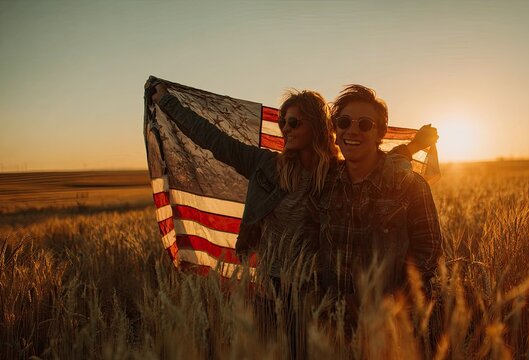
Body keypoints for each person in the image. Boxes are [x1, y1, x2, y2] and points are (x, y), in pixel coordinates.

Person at [148, 80, 436, 357]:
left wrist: (414, 146)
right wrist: (168, 102)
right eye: (283, 122)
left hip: (312, 290)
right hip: (269, 284)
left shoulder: (333, 175)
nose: (286, 128)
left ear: (316, 126)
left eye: (295, 122)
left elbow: (376, 161)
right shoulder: (266, 166)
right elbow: (216, 141)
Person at [312, 85, 443, 339]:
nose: (352, 130)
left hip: (388, 329)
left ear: (380, 134)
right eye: (344, 122)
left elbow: (428, 254)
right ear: (335, 133)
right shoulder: (322, 182)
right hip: (331, 327)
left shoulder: (408, 185)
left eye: (364, 125)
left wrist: (393, 306)